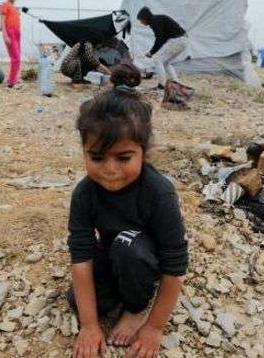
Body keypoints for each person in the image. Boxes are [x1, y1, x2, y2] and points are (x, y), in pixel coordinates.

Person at [68, 78, 188, 357]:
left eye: (123, 158)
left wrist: (154, 327)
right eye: (97, 158)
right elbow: (81, 256)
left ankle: (136, 307)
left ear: (143, 152)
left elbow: (175, 265)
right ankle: (121, 294)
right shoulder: (84, 193)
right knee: (77, 300)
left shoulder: (159, 193)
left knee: (127, 247)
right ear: (84, 151)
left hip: (143, 257)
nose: (110, 169)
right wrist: (89, 325)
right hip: (112, 252)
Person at [137, 7, 188, 90]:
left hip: (177, 40)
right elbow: (163, 39)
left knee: (157, 60)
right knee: (165, 63)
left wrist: (151, 52)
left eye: (141, 20)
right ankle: (175, 84)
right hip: (182, 40)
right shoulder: (157, 19)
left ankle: (162, 85)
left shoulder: (154, 21)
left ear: (145, 18)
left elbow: (159, 39)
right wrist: (153, 52)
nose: (141, 23)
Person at [0, 0, 22, 88]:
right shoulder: (4, 5)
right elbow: (2, 22)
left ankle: (13, 78)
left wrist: (17, 12)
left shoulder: (15, 8)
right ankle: (11, 82)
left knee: (17, 56)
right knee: (16, 58)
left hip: (17, 33)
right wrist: (5, 36)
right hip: (10, 32)